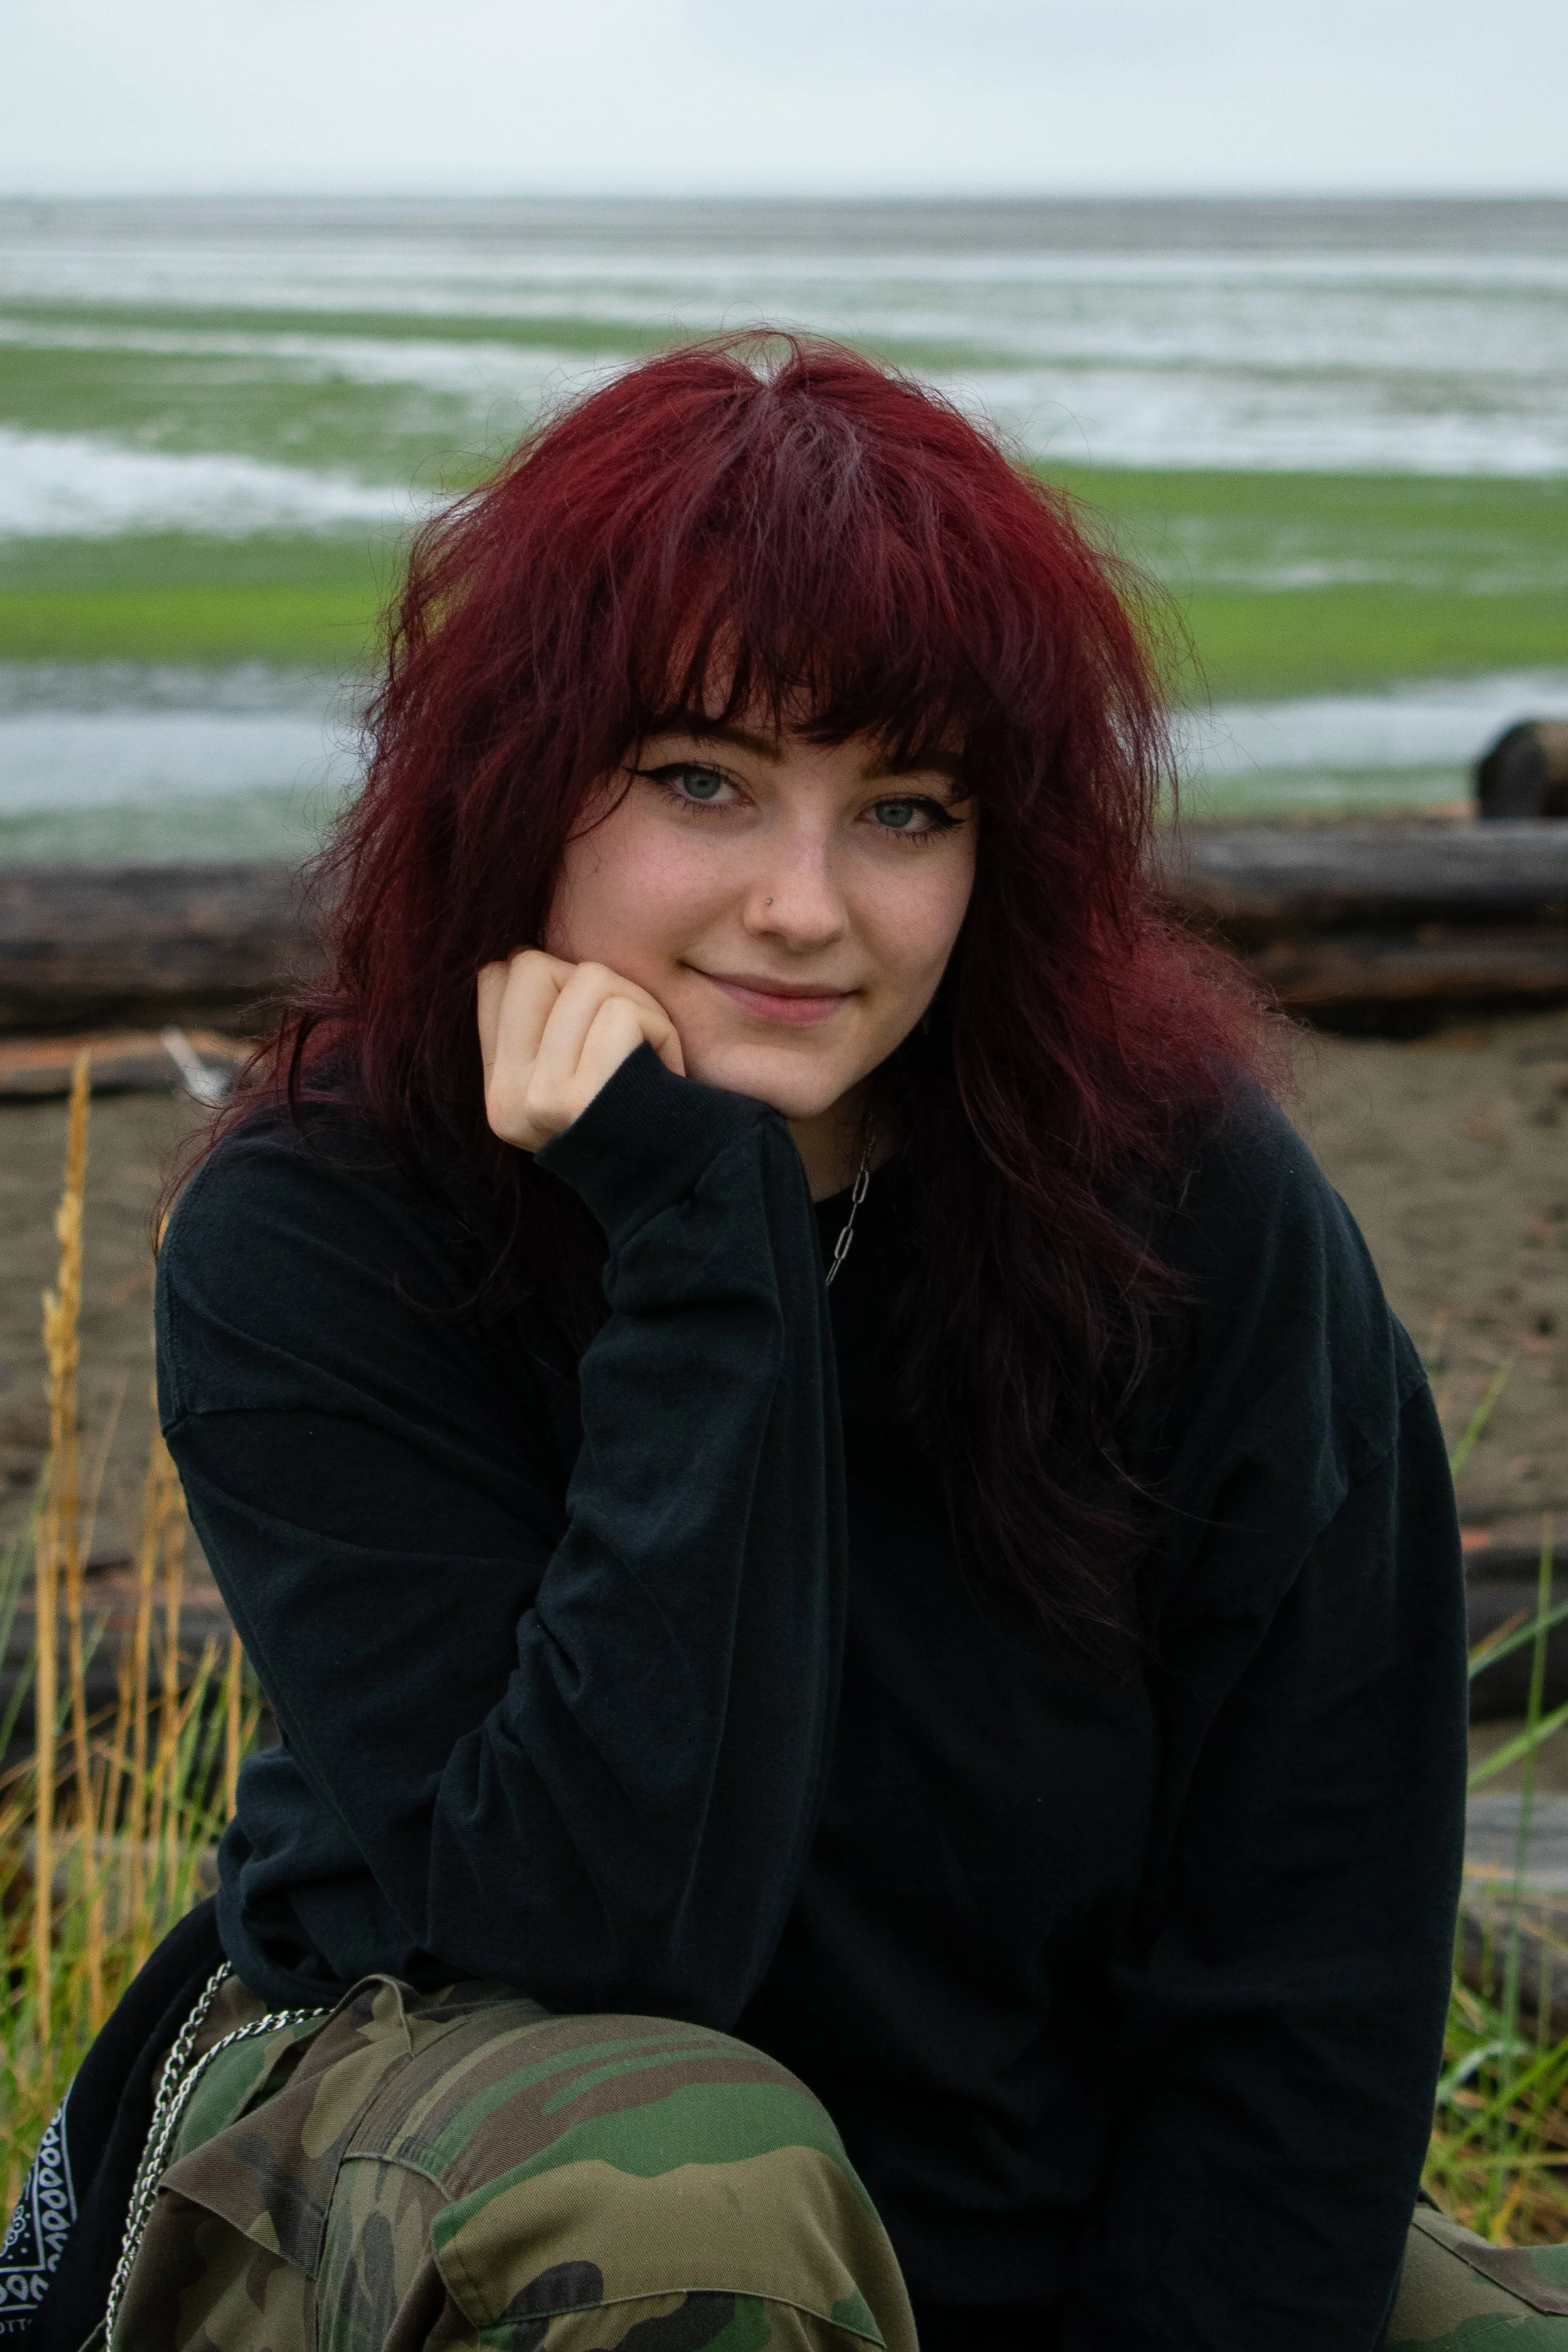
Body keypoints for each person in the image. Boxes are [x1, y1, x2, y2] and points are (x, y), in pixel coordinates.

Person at [7, 337, 1486, 2351]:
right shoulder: (325, 1226)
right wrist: (703, 1243)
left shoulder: (1184, 1209)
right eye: (703, 780)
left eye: (902, 808)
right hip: (439, 2170)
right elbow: (597, 1927)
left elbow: (1309, 1937)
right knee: (696, 2188)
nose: (803, 905)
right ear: (520, 783)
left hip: (1001, 2190)